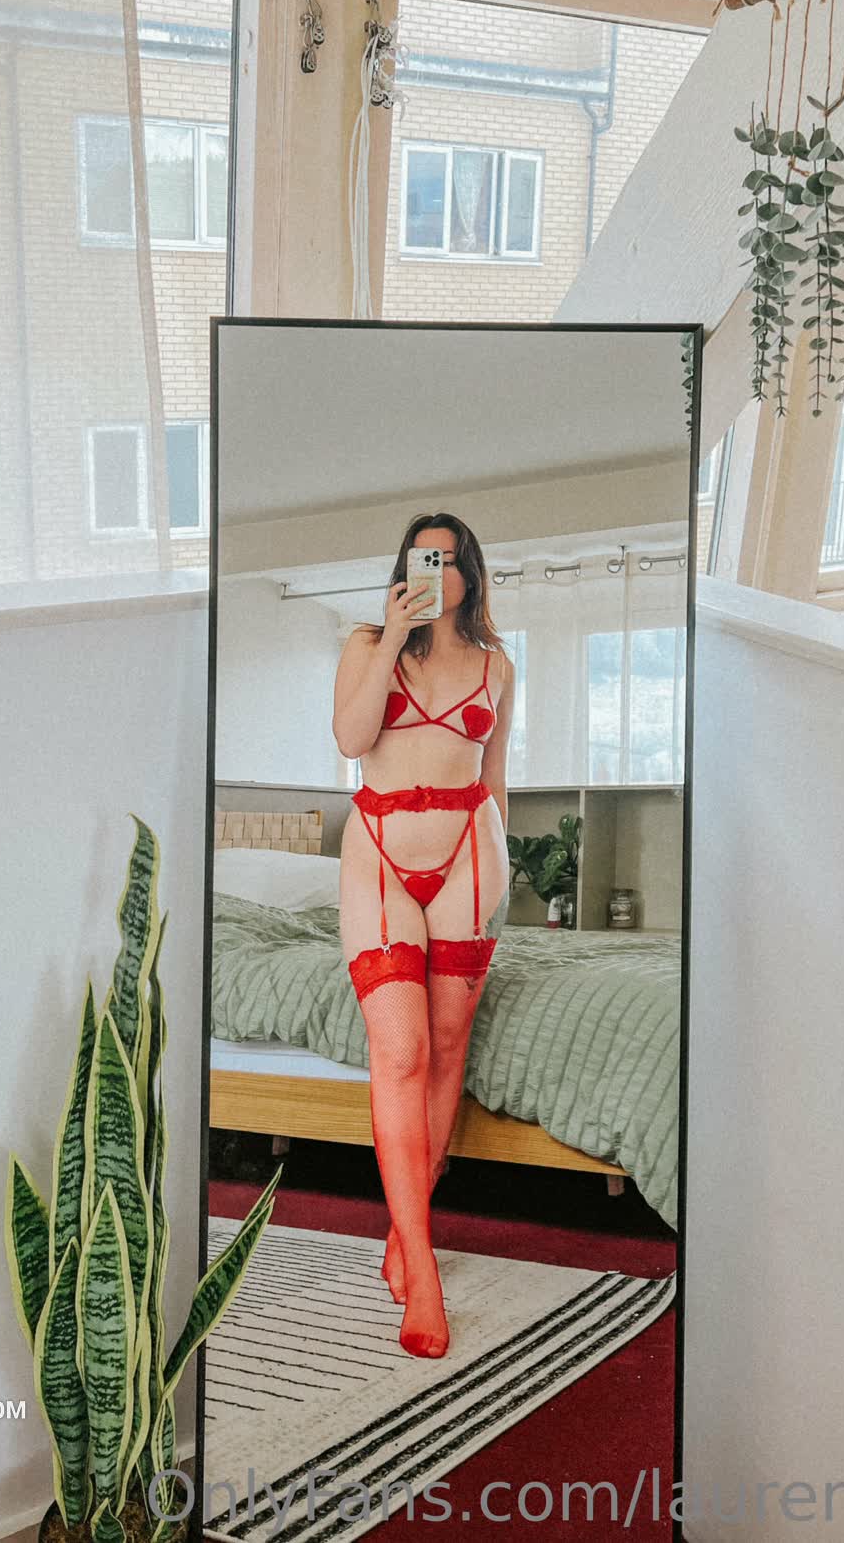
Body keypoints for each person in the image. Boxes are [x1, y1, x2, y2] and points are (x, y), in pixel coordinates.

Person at [332, 513, 513, 1358]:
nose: (434, 569)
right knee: (400, 1051)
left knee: (445, 1046)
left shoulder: (497, 665)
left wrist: (503, 884)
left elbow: (495, 778)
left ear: (468, 572)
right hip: (378, 852)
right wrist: (394, 635)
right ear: (403, 568)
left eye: (447, 558)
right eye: (420, 557)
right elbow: (350, 739)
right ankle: (424, 1268)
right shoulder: (367, 644)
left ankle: (408, 1234)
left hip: (470, 855)